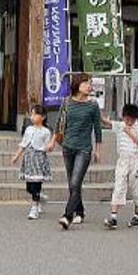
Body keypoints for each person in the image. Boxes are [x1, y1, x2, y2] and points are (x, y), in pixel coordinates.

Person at [48, 73, 102, 230]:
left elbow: (98, 129)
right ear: (77, 85)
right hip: (67, 147)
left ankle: (67, 216)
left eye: (90, 83)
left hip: (84, 149)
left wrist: (98, 149)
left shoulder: (93, 105)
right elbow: (59, 123)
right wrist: (52, 141)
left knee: (75, 182)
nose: (89, 86)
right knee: (73, 184)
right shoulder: (66, 102)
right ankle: (80, 211)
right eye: (86, 83)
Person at [101, 104, 138, 229]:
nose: (129, 122)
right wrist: (99, 113)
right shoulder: (120, 125)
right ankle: (113, 217)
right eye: (127, 119)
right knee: (119, 186)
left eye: (132, 119)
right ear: (123, 116)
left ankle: (137, 216)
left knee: (137, 187)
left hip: (135, 160)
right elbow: (107, 122)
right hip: (122, 160)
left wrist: (129, 131)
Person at [10, 105, 52, 220]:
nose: (32, 117)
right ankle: (40, 198)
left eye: (35, 114)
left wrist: (49, 147)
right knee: (29, 187)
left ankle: (34, 208)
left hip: (39, 160)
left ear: (42, 117)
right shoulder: (28, 129)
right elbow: (23, 144)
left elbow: (48, 146)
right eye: (31, 114)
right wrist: (16, 157)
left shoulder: (46, 131)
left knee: (36, 185)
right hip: (29, 159)